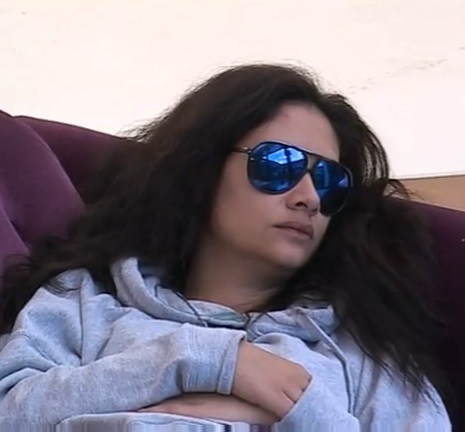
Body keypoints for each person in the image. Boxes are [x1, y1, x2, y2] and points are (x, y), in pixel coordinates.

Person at [0, 64, 452, 431]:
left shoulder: (365, 352)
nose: (309, 197)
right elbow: (9, 413)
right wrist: (205, 361)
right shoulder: (85, 300)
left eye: (328, 180)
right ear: (204, 168)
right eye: (278, 164)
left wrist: (299, 411)